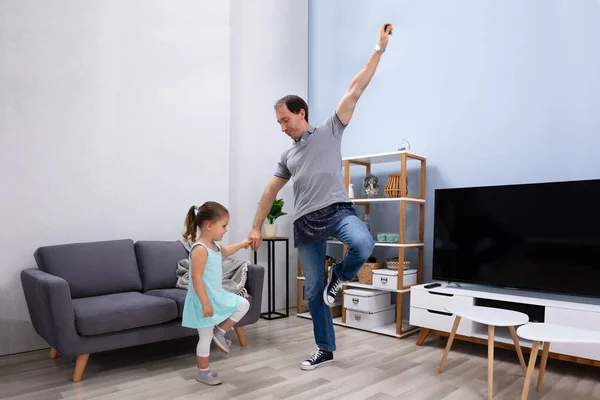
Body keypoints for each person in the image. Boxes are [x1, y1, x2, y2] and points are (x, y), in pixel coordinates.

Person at [248, 23, 393, 370]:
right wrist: (256, 227)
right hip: (305, 221)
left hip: (338, 209)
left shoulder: (331, 128)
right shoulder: (288, 156)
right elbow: (271, 191)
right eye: (279, 124)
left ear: (301, 113)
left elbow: (356, 89)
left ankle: (340, 275)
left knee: (363, 244)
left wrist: (380, 47)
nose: (283, 128)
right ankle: (325, 348)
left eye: (286, 120)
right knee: (314, 291)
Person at [182, 201, 252, 385]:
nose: (226, 230)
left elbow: (227, 250)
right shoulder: (199, 249)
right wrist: (205, 303)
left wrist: (243, 244)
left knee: (243, 304)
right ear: (209, 225)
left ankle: (220, 331)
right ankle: (203, 372)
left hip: (217, 295)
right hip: (203, 300)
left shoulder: (215, 246)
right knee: (204, 337)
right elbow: (196, 278)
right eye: (224, 226)